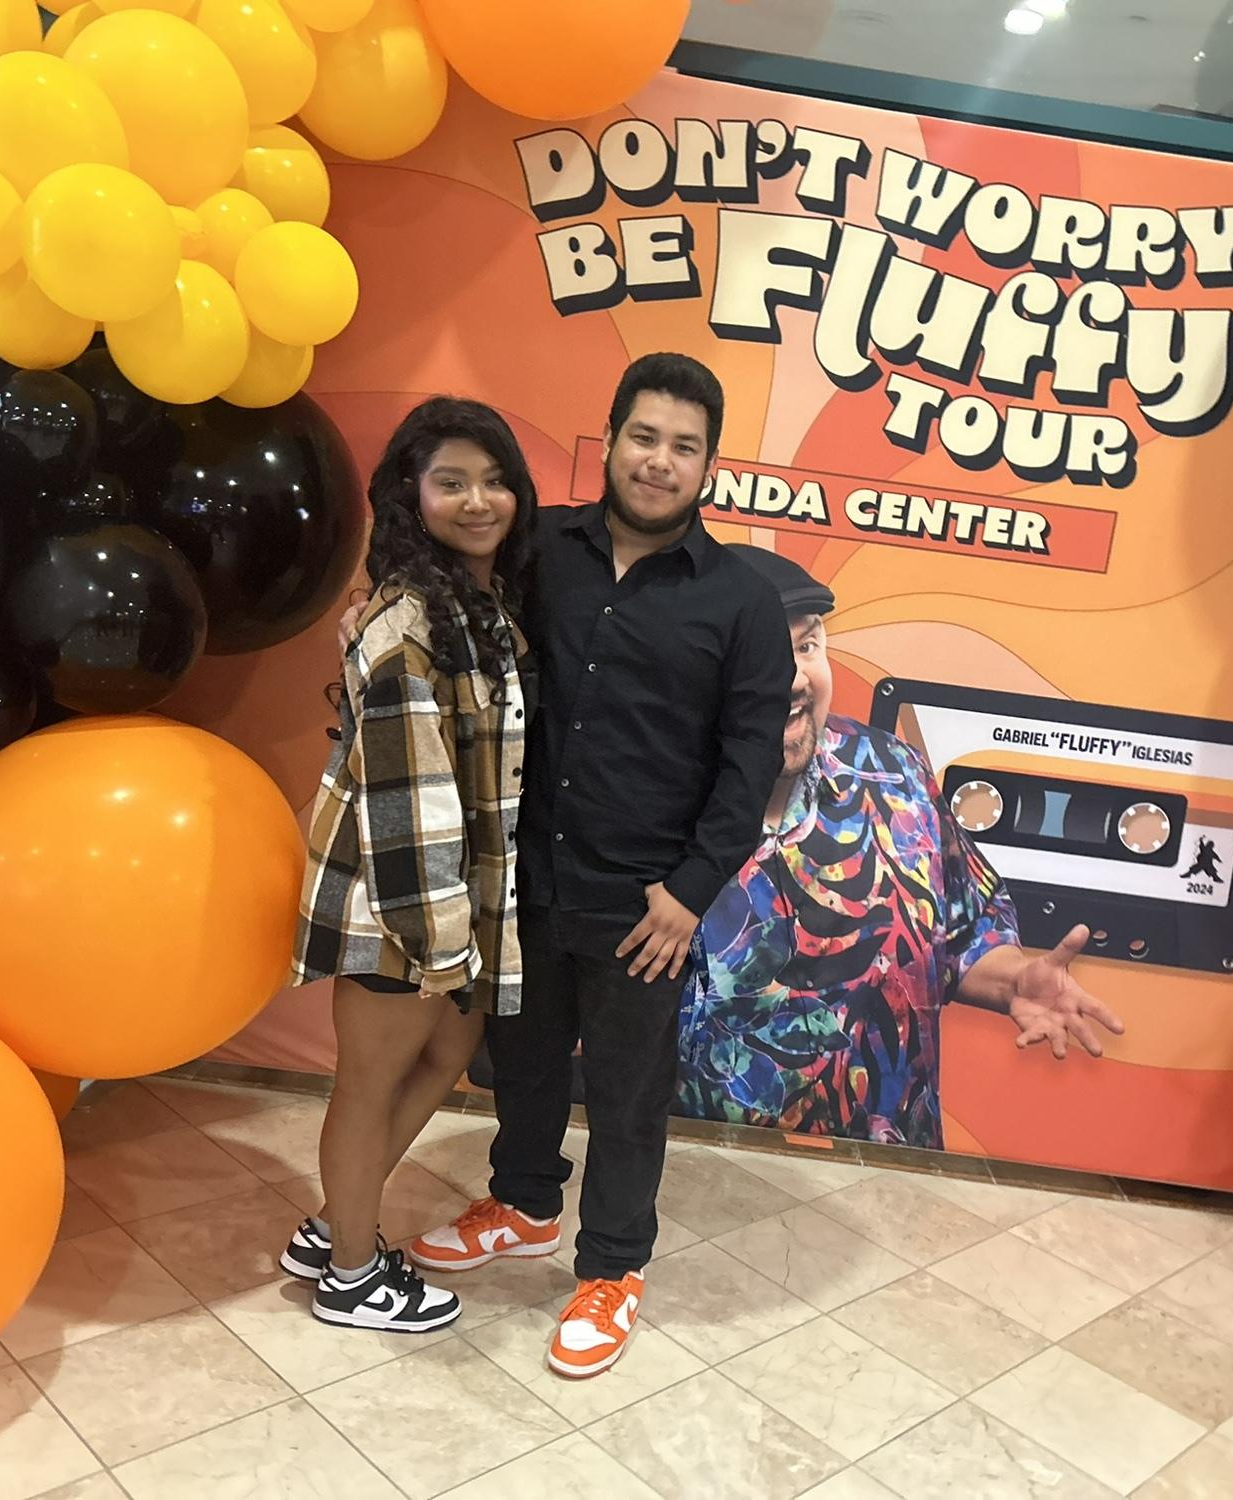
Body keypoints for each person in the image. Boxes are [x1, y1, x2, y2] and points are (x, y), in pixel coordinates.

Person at [409, 354, 792, 1378]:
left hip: (644, 905)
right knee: (523, 1061)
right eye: (644, 437)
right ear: (612, 439)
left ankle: (614, 1267)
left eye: (684, 447)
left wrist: (691, 892)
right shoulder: (540, 550)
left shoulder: (743, 602)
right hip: (528, 877)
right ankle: (525, 1202)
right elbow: (451, 613)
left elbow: (750, 764)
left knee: (626, 1093)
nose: (659, 462)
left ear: (710, 466)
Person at [675, 547, 1126, 1147]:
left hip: (886, 1171)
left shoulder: (893, 772)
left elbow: (965, 934)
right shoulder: (637, 799)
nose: (794, 678)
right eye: (758, 654)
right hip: (684, 1166)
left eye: (807, 646)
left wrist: (1014, 980)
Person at [280, 396, 537, 1333]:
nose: (478, 500)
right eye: (451, 482)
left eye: (495, 480)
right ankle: (351, 1274)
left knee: (446, 1053)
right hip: (398, 898)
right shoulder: (406, 623)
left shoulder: (477, 605)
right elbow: (409, 796)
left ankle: (332, 1227)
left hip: (449, 895)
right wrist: (440, 938)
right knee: (370, 1083)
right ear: (410, 495)